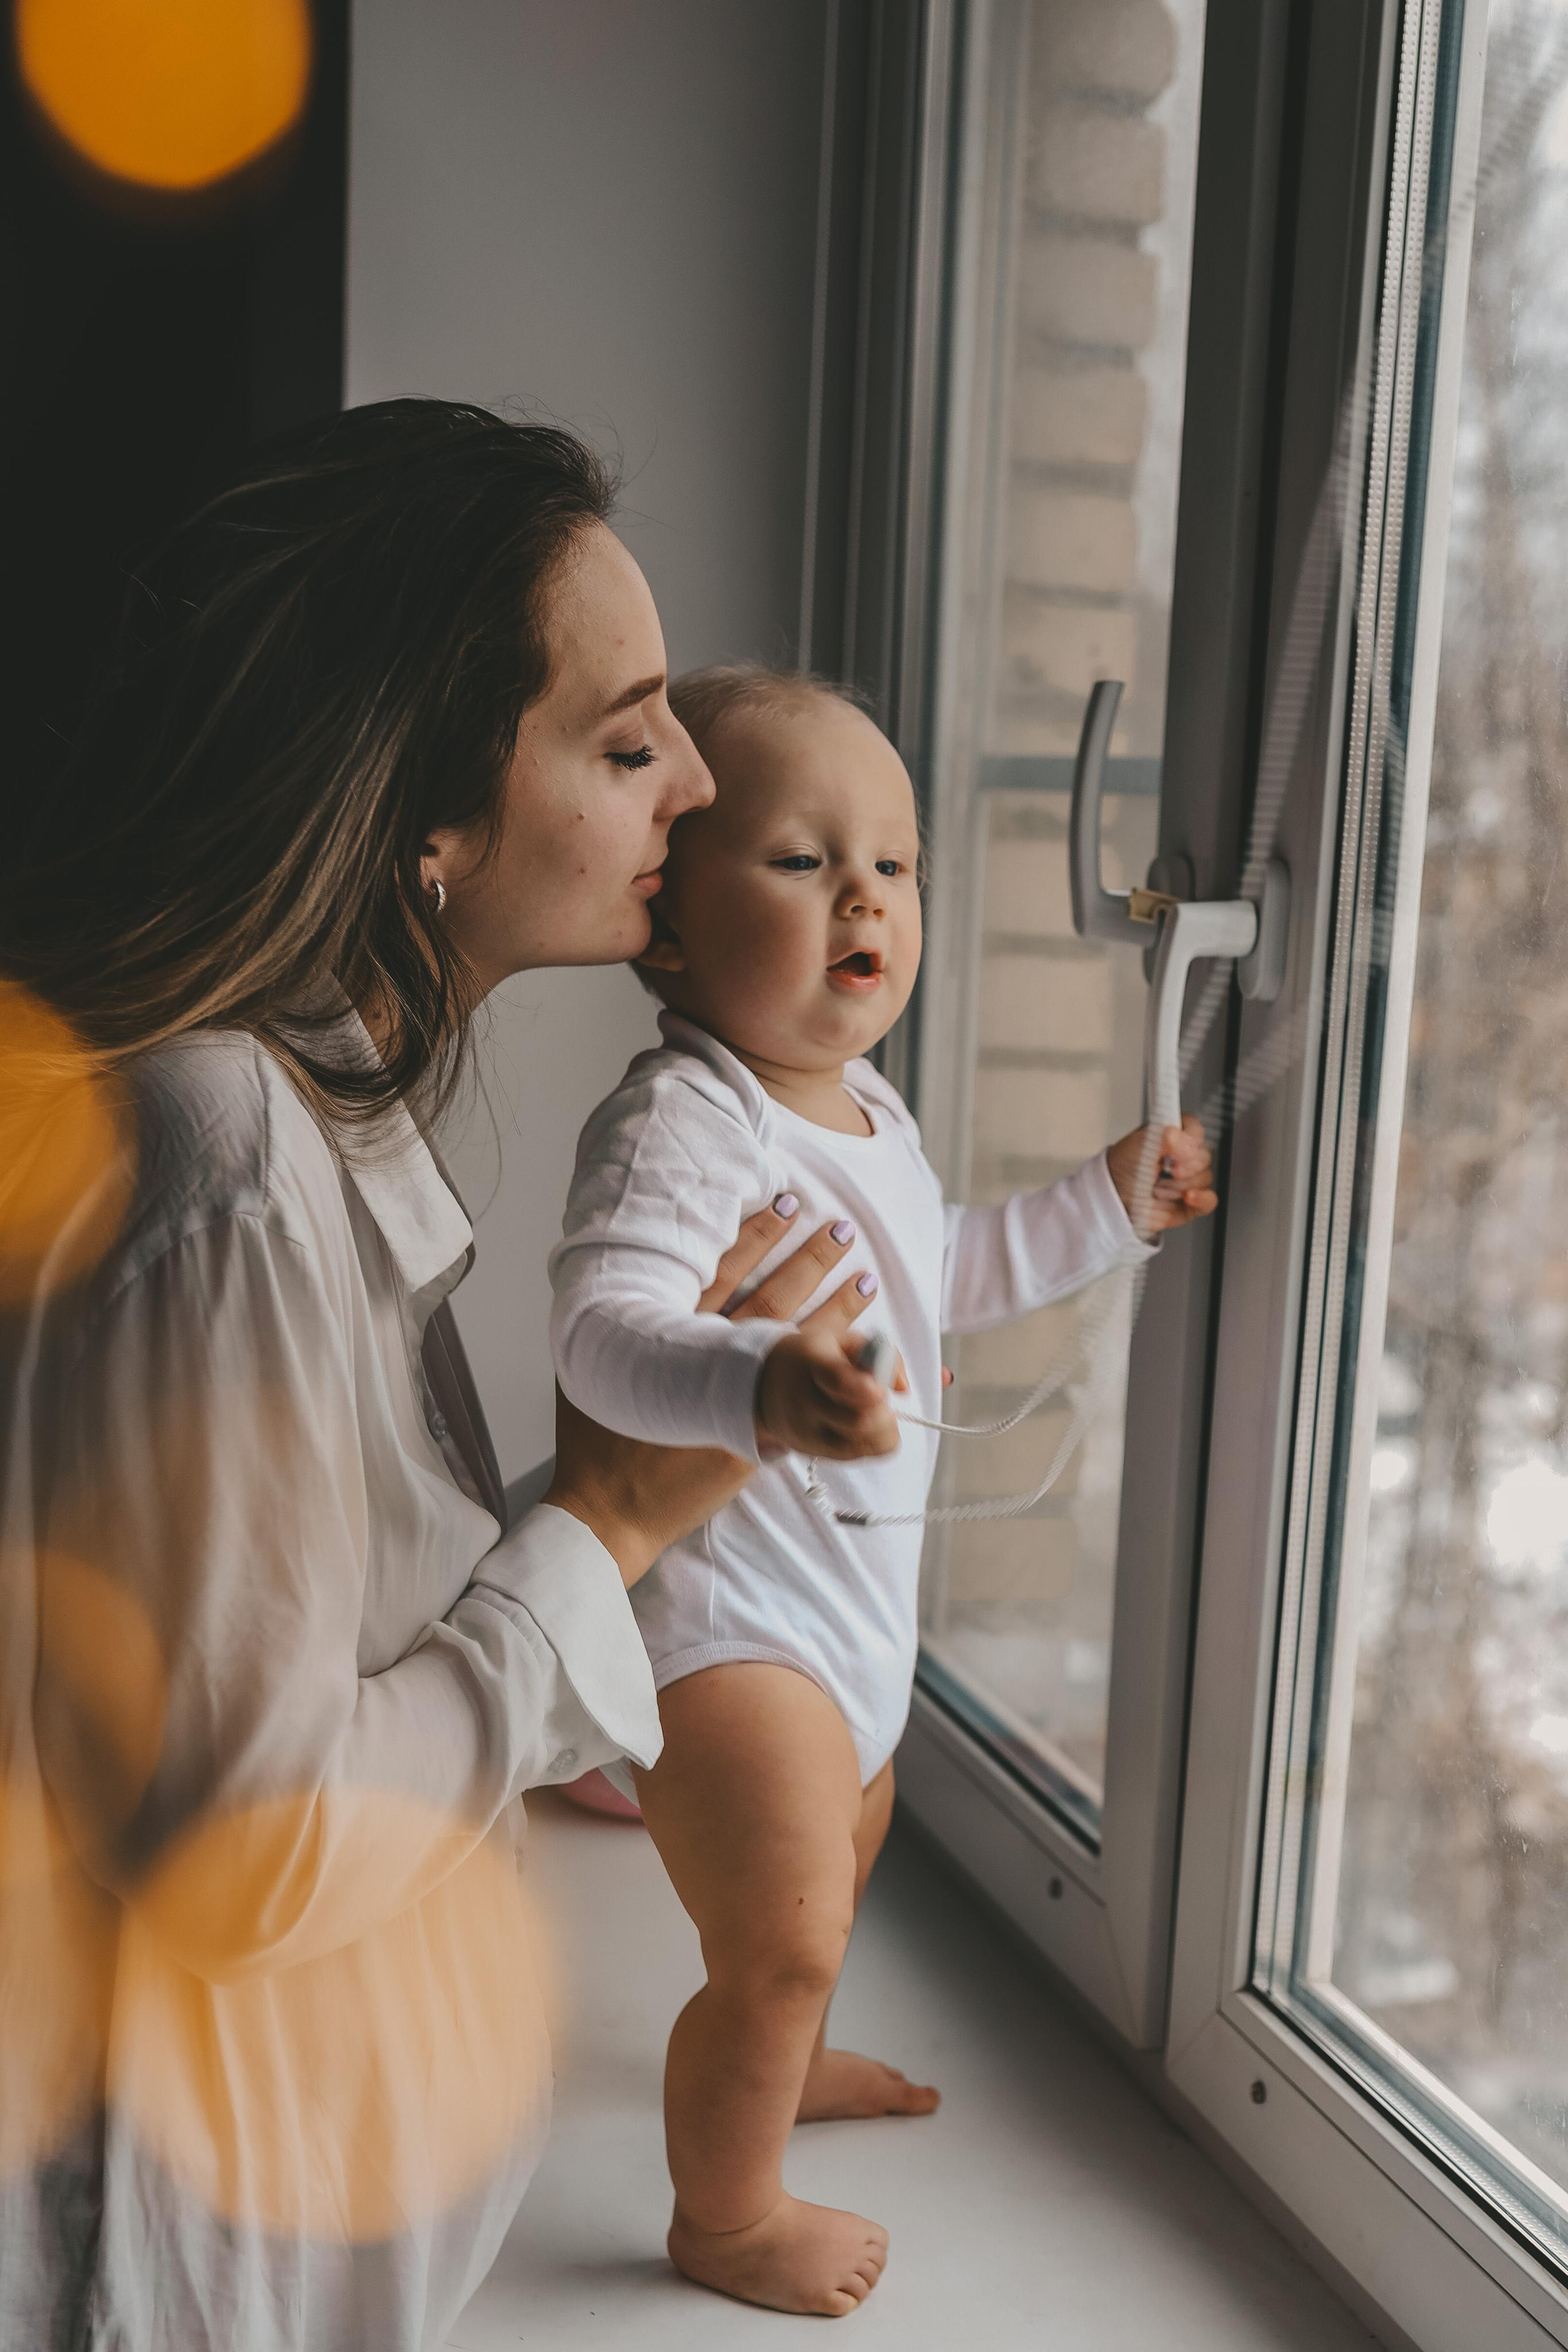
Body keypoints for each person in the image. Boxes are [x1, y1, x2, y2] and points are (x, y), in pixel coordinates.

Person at [0, 404, 880, 2352]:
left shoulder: (319, 1114)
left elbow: (311, 1648)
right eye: (628, 736)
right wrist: (603, 1523)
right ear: (431, 812)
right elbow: (250, 1848)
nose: (702, 781)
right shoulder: (224, 1159)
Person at [549, 664, 1218, 2318]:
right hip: (726, 1625)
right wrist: (752, 1385)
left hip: (848, 1623)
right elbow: (600, 1337)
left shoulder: (870, 1116)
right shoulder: (686, 1122)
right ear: (670, 929)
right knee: (780, 1926)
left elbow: (945, 1272)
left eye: (895, 864)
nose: (863, 893)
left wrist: (1106, 1207)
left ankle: (784, 2053)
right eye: (798, 859)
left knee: (833, 1881)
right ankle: (722, 2215)